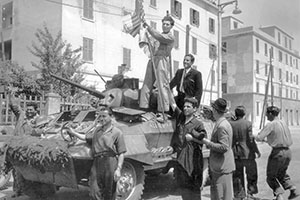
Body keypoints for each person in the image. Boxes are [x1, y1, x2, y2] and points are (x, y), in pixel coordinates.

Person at [65, 105, 126, 200]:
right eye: (100, 116)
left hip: (110, 162)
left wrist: (118, 169)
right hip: (97, 162)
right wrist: (73, 133)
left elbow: (121, 152)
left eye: (104, 116)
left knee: (109, 193)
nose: (101, 118)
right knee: (94, 191)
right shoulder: (97, 130)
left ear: (111, 117)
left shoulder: (117, 132)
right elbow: (85, 137)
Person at [255, 106, 300, 200]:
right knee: (282, 173)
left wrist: (253, 136)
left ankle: (279, 195)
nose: (266, 115)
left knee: (270, 176)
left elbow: (259, 137)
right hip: (288, 152)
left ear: (271, 114)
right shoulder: (283, 122)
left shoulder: (271, 124)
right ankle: (293, 189)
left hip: (277, 153)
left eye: (267, 113)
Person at [170, 97, 207, 200]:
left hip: (193, 160)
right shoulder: (181, 119)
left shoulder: (198, 124)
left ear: (194, 109)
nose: (185, 108)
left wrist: (193, 139)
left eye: (188, 106)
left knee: (194, 190)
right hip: (181, 159)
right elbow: (173, 104)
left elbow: (204, 141)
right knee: (184, 189)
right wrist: (166, 87)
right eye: (184, 106)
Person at [139, 14, 176, 113]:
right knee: (147, 83)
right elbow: (152, 43)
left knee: (161, 85)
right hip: (153, 58)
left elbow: (159, 37)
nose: (165, 26)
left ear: (171, 26)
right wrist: (145, 35)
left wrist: (149, 28)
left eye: (167, 24)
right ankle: (143, 106)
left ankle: (163, 109)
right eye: (163, 24)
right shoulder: (157, 36)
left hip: (161, 60)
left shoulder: (170, 37)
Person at [200, 98, 235, 200]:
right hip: (223, 165)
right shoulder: (223, 123)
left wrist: (208, 143)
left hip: (221, 167)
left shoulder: (221, 126)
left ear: (215, 110)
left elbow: (224, 147)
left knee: (221, 196)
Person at [8, 90, 40, 198]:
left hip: (29, 148)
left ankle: (29, 190)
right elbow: (14, 106)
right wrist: (11, 95)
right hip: (17, 145)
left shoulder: (40, 120)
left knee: (28, 169)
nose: (28, 111)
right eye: (28, 109)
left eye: (31, 110)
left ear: (36, 111)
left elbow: (42, 132)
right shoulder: (21, 115)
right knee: (15, 168)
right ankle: (17, 190)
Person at [230, 105, 260, 198]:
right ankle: (250, 193)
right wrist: (256, 151)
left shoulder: (231, 124)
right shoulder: (248, 123)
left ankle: (239, 195)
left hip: (235, 153)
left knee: (237, 175)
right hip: (247, 153)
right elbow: (251, 140)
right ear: (244, 114)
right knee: (251, 173)